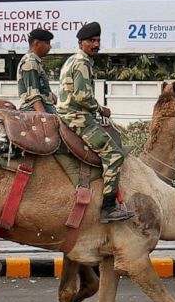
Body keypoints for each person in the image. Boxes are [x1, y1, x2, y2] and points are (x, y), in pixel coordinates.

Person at [57, 22, 134, 223]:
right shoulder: (82, 63)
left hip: (69, 115)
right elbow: (82, 97)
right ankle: (108, 208)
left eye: (98, 41)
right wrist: (101, 109)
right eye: (92, 41)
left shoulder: (72, 60)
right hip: (78, 119)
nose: (96, 44)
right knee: (115, 155)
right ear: (81, 42)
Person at [17, 28, 56, 113]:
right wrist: (45, 120)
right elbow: (34, 96)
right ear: (37, 43)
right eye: (47, 43)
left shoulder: (35, 61)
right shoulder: (30, 62)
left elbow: (40, 88)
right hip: (34, 112)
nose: (50, 47)